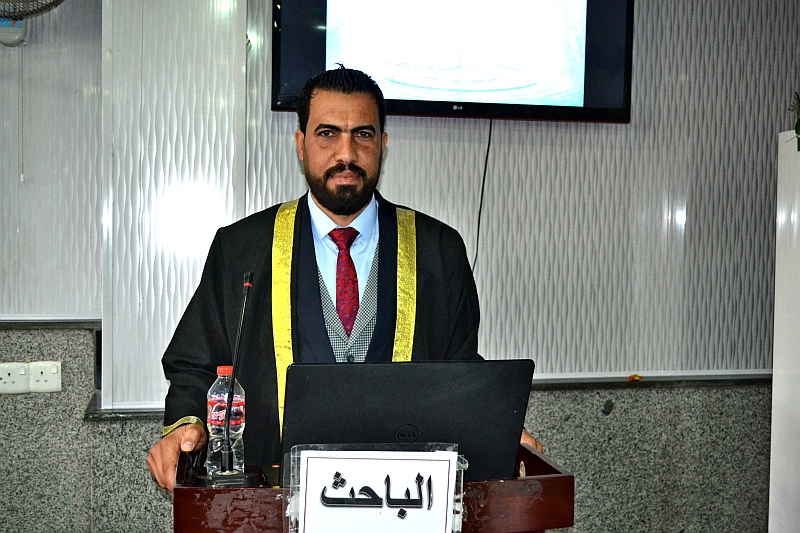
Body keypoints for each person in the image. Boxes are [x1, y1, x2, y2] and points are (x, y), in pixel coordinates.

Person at [147, 66, 541, 491]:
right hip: (275, 499)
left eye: (363, 135)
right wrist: (185, 426)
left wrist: (495, 431)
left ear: (382, 145)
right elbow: (195, 365)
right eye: (327, 134)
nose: (346, 154)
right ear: (301, 144)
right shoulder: (242, 248)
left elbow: (459, 374)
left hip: (402, 498)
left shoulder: (438, 250)